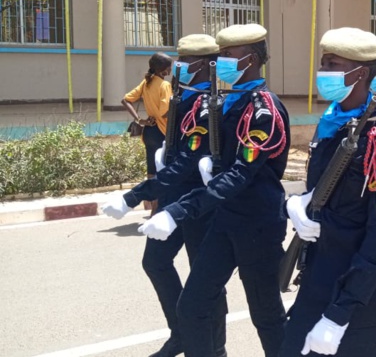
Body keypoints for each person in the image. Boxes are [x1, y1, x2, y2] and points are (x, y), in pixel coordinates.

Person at [138, 23, 291, 357]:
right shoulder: (228, 103)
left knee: (266, 315)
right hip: (224, 219)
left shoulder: (263, 109)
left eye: (227, 55)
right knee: (192, 305)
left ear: (250, 58)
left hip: (256, 222)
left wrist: (179, 209)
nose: (220, 61)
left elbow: (241, 175)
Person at [281, 28, 376, 357]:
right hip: (324, 266)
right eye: (323, 63)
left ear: (359, 73)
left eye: (332, 65)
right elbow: (322, 191)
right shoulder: (334, 122)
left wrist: (340, 313)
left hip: (368, 285)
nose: (322, 72)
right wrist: (295, 205)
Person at [102, 35, 226, 357]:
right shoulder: (182, 98)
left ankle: (216, 346)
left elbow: (189, 161)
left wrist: (134, 196)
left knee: (204, 278)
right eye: (178, 59)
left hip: (198, 203)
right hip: (173, 195)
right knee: (155, 262)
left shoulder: (208, 106)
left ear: (206, 66)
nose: (178, 66)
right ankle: (181, 334)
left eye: (186, 60)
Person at [122, 52, 173, 212]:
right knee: (164, 171)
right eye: (169, 67)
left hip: (149, 132)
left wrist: (140, 120)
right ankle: (157, 209)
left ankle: (151, 205)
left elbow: (126, 100)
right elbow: (165, 112)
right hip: (163, 132)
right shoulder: (164, 86)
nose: (171, 70)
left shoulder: (146, 83)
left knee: (152, 170)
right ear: (164, 70)